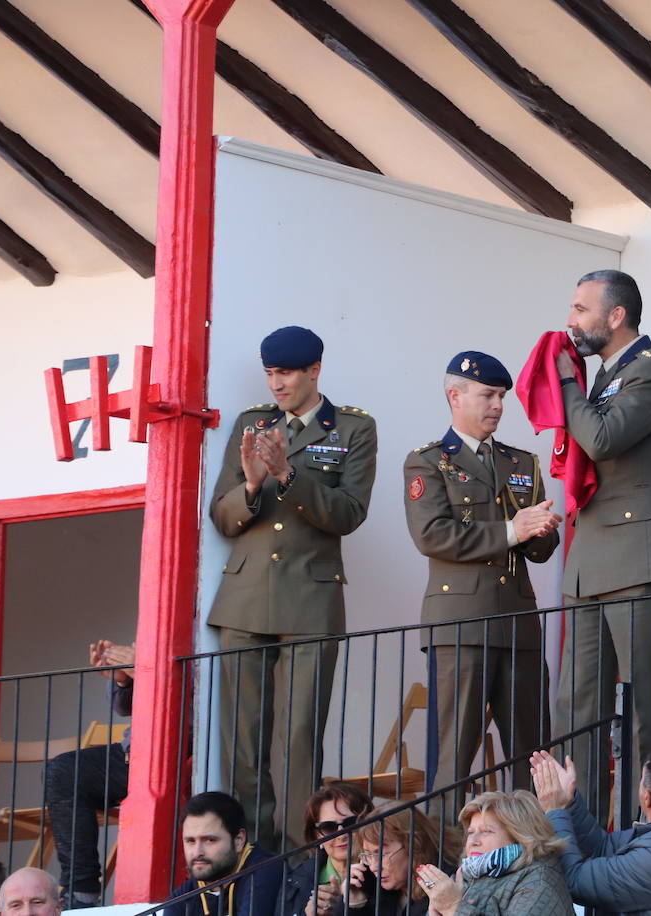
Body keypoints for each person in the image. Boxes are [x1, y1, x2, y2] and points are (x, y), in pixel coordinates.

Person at [207, 326, 378, 850]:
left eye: (285, 373)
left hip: (310, 602)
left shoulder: (353, 428)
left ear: (314, 371)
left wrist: (287, 476)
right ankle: (252, 856)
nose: (276, 383)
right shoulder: (251, 423)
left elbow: (349, 513)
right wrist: (254, 485)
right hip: (245, 600)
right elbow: (221, 515)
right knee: (243, 741)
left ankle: (300, 856)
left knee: (299, 740)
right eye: (270, 373)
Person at [552, 270, 651, 821]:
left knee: (644, 710)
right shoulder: (607, 375)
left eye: (581, 308)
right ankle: (580, 826)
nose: (571, 320)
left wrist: (566, 381)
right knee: (577, 707)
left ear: (616, 317)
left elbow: (603, 437)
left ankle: (647, 829)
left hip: (640, 553)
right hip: (592, 556)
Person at [404, 352, 562, 816]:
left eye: (501, 397)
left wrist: (541, 531)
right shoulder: (428, 462)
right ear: (456, 396)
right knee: (453, 758)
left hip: (517, 622)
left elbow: (538, 552)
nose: (497, 405)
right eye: (487, 395)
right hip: (461, 626)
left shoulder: (522, 462)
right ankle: (439, 866)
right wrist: (515, 529)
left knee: (532, 755)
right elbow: (432, 535)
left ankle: (531, 856)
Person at [530, 744, 651, 916]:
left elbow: (574, 881)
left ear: (647, 797)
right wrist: (569, 801)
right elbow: (602, 847)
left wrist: (555, 811)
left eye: (642, 780)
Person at [45, 639, 134, 908]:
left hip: (182, 748)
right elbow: (124, 708)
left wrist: (144, 668)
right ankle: (80, 895)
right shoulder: (157, 625)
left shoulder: (204, 629)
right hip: (136, 751)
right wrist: (123, 680)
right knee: (63, 771)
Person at [414, 792, 571, 916]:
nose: (473, 841)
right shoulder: (467, 876)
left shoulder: (539, 880)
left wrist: (453, 907)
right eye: (470, 832)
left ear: (519, 836)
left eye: (486, 831)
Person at [167, 791, 282, 916]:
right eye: (190, 841)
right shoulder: (182, 898)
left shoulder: (265, 870)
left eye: (210, 840)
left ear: (239, 840)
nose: (197, 852)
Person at [282, 782, 373, 916]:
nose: (341, 835)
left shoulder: (384, 875)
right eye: (328, 827)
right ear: (317, 837)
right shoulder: (296, 879)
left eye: (350, 823)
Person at [353, 805, 461, 916]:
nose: (373, 867)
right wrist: (354, 903)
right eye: (368, 855)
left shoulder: (444, 886)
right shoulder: (372, 885)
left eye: (382, 854)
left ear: (413, 846)